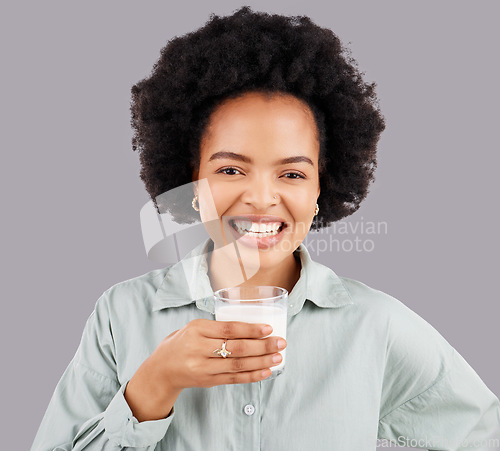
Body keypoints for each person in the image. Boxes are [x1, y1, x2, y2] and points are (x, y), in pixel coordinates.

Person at [32, 6, 500, 450]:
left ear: (322, 187)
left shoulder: (376, 325)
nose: (260, 198)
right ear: (191, 183)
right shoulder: (122, 316)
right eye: (231, 170)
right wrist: (154, 384)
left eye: (292, 173)